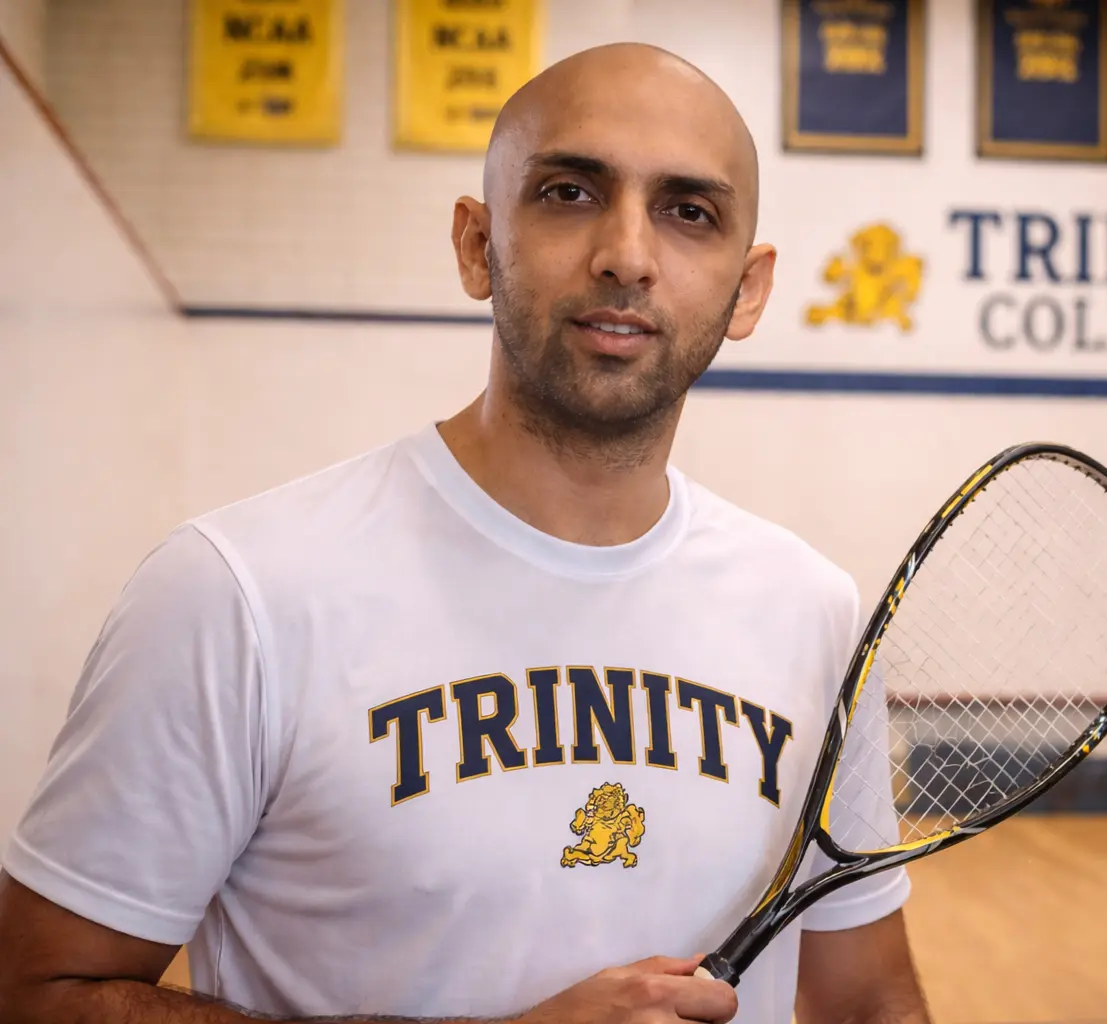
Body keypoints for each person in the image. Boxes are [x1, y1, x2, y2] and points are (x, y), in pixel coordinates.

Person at [0, 42, 930, 1024]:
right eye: (571, 192)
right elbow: (34, 994)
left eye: (687, 212)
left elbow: (866, 1000)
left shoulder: (817, 616)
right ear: (476, 246)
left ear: (748, 288)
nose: (627, 253)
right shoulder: (235, 594)